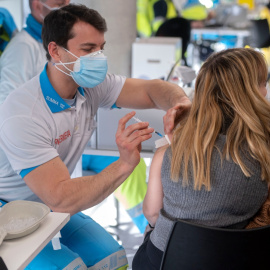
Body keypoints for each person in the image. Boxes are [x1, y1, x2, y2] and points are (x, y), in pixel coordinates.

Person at [0, 4, 191, 270]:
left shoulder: (90, 87)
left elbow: (150, 90)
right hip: (9, 209)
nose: (98, 57)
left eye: (101, 48)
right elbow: (62, 198)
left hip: (47, 206)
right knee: (72, 267)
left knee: (114, 259)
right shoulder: (23, 114)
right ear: (55, 51)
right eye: (88, 50)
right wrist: (124, 164)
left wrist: (180, 103)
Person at [132, 47, 270, 270]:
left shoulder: (168, 151)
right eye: (263, 83)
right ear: (251, 93)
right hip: (237, 259)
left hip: (165, 261)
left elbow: (151, 213)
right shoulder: (264, 150)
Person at [0, 0, 70, 105]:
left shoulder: (54, 44)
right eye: (59, 5)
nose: (66, 11)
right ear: (37, 5)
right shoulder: (22, 47)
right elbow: (8, 103)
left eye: (67, 4)